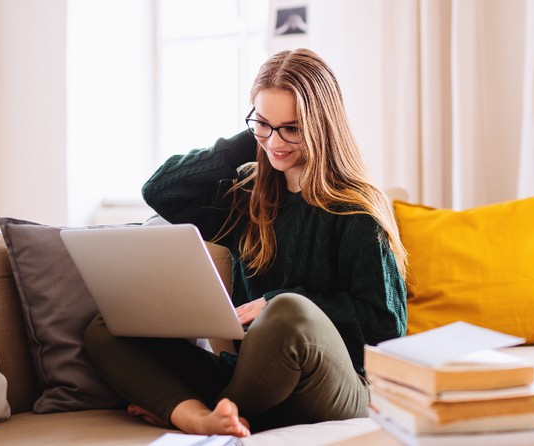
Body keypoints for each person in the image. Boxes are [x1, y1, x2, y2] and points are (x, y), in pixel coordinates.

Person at [83, 48, 408, 437]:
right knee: (108, 327)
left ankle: (211, 411)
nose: (276, 142)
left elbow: (387, 328)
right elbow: (161, 190)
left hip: (341, 385)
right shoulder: (247, 198)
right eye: (263, 124)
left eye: (292, 128)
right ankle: (202, 417)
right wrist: (251, 139)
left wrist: (277, 303)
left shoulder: (356, 210)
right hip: (252, 376)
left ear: (322, 125)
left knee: (288, 312)